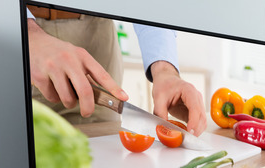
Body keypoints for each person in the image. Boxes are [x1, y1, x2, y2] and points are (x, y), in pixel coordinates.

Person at [25, 5, 206, 135]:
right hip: (19, 37)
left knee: (104, 154)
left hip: (96, 32)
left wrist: (165, 70)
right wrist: (27, 34)